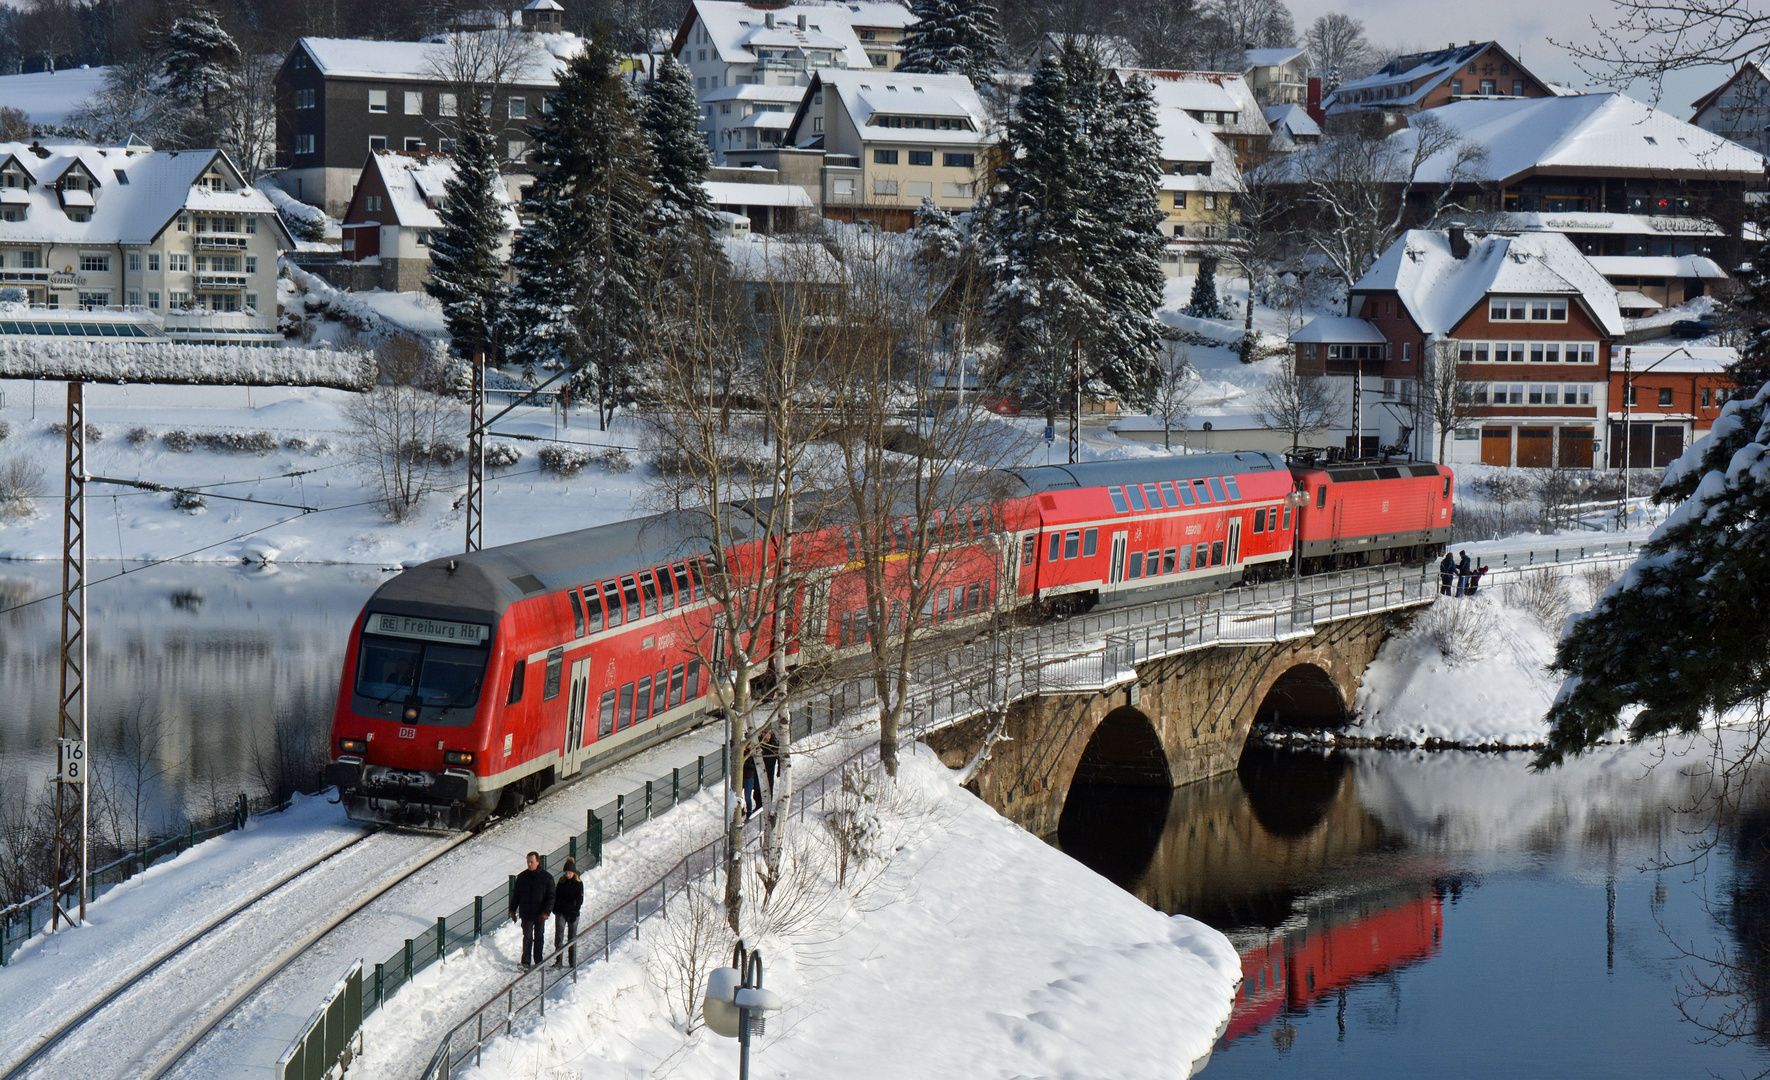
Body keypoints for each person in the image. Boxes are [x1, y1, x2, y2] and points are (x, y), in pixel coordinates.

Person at [511, 850, 554, 970]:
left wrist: (546, 911)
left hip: (540, 913)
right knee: (527, 936)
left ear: (538, 862)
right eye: (528, 862)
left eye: (531, 862)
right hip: (526, 913)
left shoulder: (546, 878)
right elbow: (516, 895)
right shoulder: (522, 877)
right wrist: (513, 910)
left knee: (539, 936)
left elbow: (551, 896)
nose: (529, 864)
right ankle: (525, 961)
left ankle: (538, 960)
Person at [552, 858, 583, 968]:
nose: (568, 875)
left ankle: (572, 961)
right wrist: (555, 908)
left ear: (573, 873)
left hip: (572, 913)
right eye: (566, 873)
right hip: (561, 912)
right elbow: (557, 895)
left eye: (569, 873)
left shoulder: (578, 884)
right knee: (559, 936)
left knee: (572, 937)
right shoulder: (561, 882)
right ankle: (559, 960)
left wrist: (575, 911)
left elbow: (579, 899)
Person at [742, 749, 761, 818]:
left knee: (747, 795)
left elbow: (755, 766)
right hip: (741, 776)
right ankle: (741, 809)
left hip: (749, 776)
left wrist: (744, 764)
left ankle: (749, 811)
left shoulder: (753, 753)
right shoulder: (742, 752)